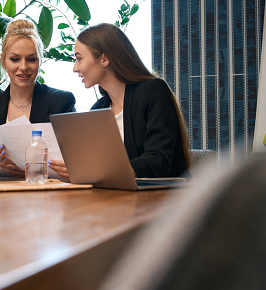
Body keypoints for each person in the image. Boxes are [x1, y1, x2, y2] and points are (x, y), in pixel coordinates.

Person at [49, 23, 191, 180]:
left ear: (104, 59)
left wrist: (97, 171)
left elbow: (158, 160)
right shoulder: (98, 109)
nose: (75, 68)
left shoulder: (153, 91)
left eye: (79, 59)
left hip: (166, 196)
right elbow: (99, 165)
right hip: (118, 195)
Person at [0, 19, 76, 176]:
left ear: (40, 60)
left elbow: (75, 163)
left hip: (46, 195)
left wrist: (28, 172)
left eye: (31, 59)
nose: (23, 67)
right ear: (3, 61)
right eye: (15, 59)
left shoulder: (61, 102)